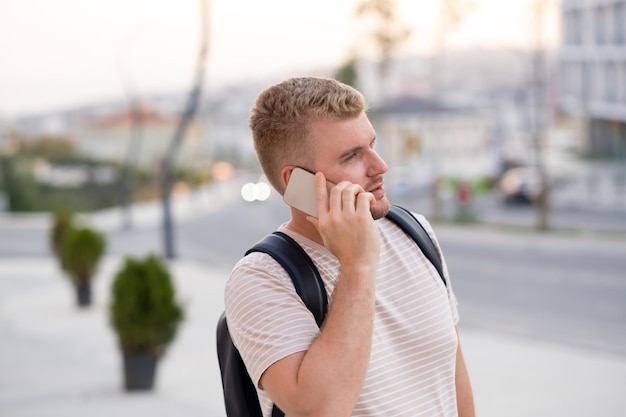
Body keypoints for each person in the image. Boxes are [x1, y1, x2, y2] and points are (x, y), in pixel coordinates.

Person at [224, 76, 475, 417]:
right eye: (352, 157)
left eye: (372, 144)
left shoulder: (415, 232)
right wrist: (358, 264)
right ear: (296, 182)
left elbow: (454, 380)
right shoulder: (260, 279)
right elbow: (320, 410)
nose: (380, 166)